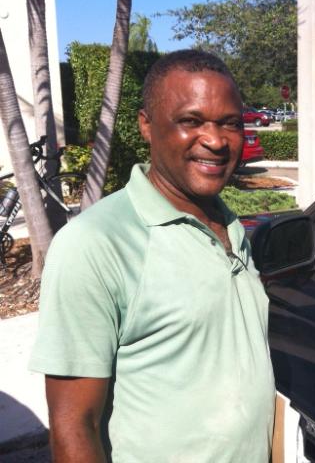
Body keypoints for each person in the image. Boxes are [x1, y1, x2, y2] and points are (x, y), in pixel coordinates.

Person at [29, 50, 275, 462]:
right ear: (146, 124)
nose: (216, 140)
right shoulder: (94, 244)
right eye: (191, 121)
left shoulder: (230, 226)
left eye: (230, 123)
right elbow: (73, 425)